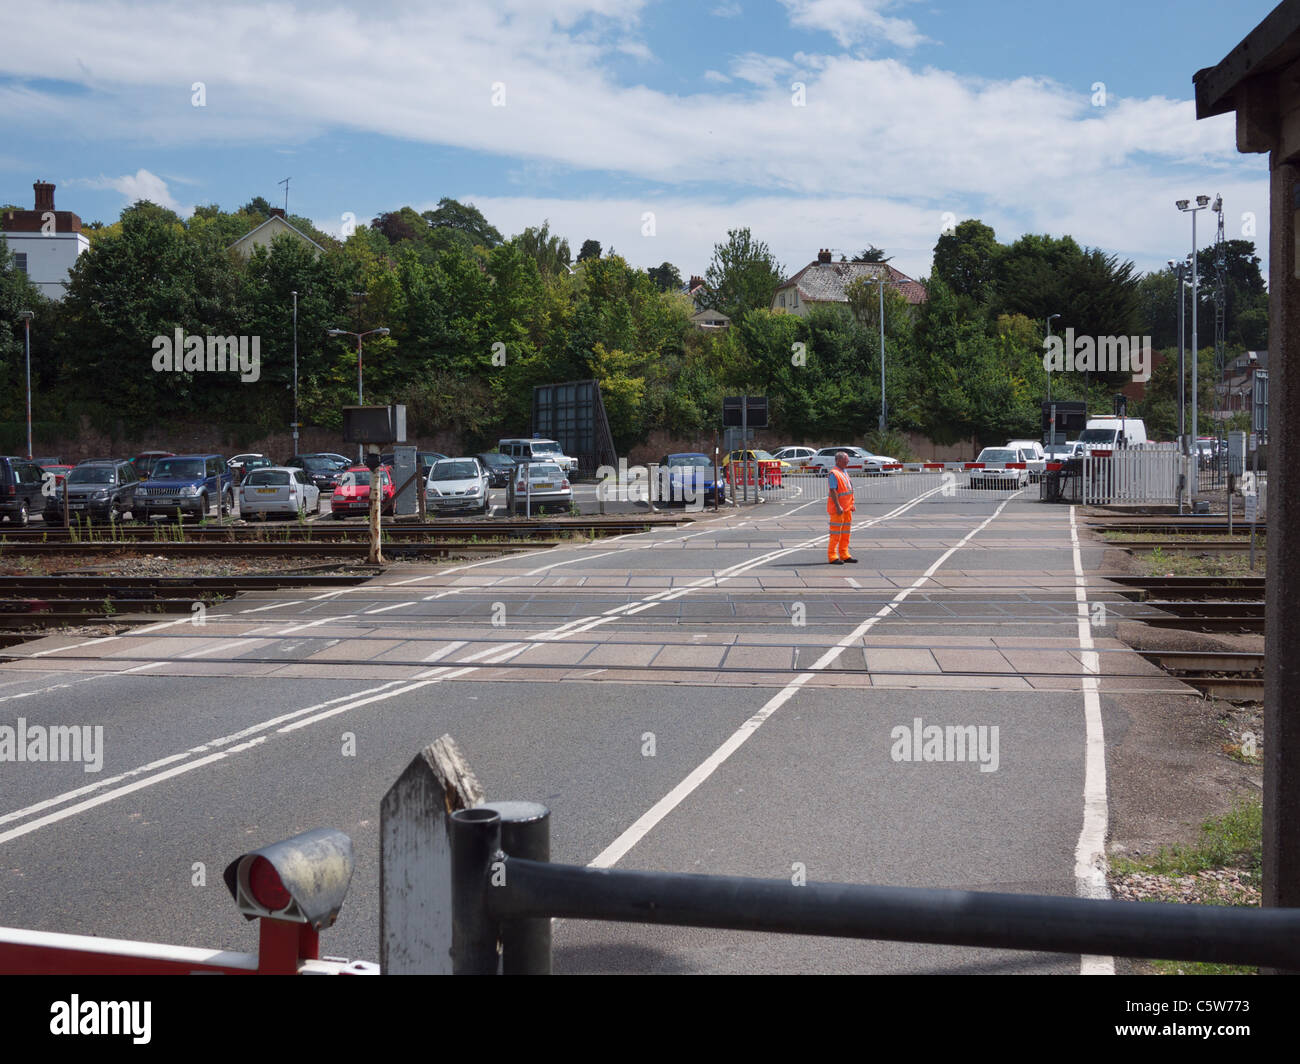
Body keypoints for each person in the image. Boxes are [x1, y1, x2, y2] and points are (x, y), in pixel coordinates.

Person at [826, 451, 857, 564]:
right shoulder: (834, 473)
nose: (847, 462)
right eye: (845, 460)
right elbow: (833, 490)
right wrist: (838, 506)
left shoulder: (843, 471)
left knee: (845, 534)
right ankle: (832, 556)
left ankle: (844, 554)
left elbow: (848, 490)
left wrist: (852, 504)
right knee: (835, 535)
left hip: (847, 508)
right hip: (838, 509)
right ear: (838, 461)